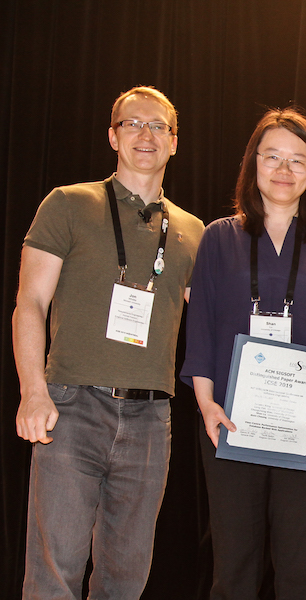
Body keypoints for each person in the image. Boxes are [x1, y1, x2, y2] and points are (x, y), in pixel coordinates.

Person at [12, 86, 203, 598]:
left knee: (126, 578)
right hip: (70, 409)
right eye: (133, 123)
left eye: (159, 126)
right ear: (113, 136)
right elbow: (29, 302)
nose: (147, 134)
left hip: (150, 420)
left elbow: (208, 327)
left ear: (175, 142)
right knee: (55, 572)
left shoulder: (192, 230)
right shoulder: (68, 203)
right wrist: (33, 391)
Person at [180, 108, 306, 599]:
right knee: (234, 569)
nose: (284, 169)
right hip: (229, 419)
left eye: (298, 160)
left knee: (300, 571)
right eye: (272, 156)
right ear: (253, 163)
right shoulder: (218, 237)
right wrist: (207, 406)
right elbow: (202, 328)